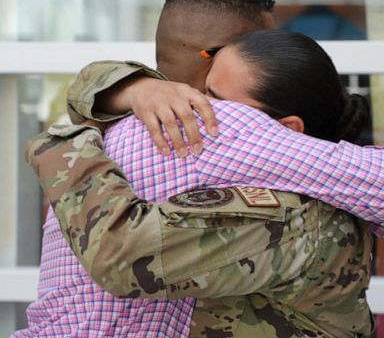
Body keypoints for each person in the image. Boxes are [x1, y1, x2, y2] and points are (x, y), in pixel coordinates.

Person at [26, 30, 376, 337]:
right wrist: (139, 88)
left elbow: (123, 254)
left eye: (218, 104)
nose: (192, 110)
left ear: (287, 132)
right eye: (200, 93)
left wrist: (63, 146)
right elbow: (89, 84)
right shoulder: (238, 170)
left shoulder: (296, 214)